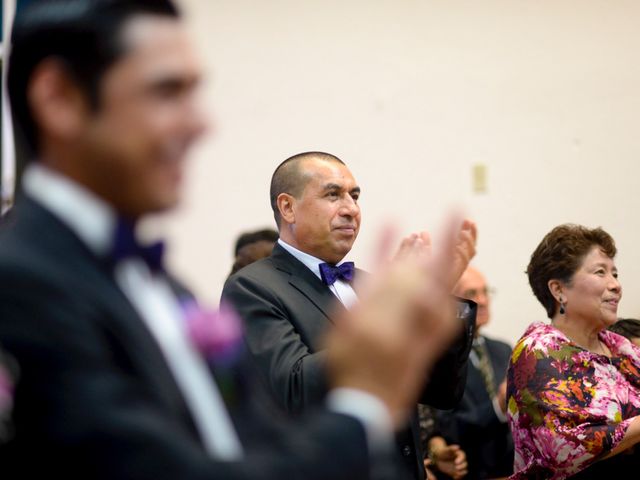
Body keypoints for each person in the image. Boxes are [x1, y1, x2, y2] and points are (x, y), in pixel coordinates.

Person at [0, 1, 469, 478]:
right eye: (166, 91)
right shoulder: (19, 285)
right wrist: (363, 397)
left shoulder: (165, 288)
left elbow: (257, 446)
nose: (201, 124)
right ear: (59, 98)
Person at [222, 151, 478, 480]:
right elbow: (290, 391)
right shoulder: (251, 287)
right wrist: (377, 334)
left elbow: (439, 392)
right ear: (288, 207)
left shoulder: (369, 285)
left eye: (354, 196)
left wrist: (437, 299)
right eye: (333, 194)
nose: (351, 209)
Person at [508, 224, 640, 479]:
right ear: (559, 290)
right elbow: (559, 448)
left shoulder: (621, 348)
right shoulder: (539, 351)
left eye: (615, 273)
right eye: (600, 272)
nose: (615, 285)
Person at [436, 266, 513, 479]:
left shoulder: (503, 350)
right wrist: (497, 407)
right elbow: (445, 428)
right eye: (471, 294)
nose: (484, 300)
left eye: (485, 291)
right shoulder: (438, 357)